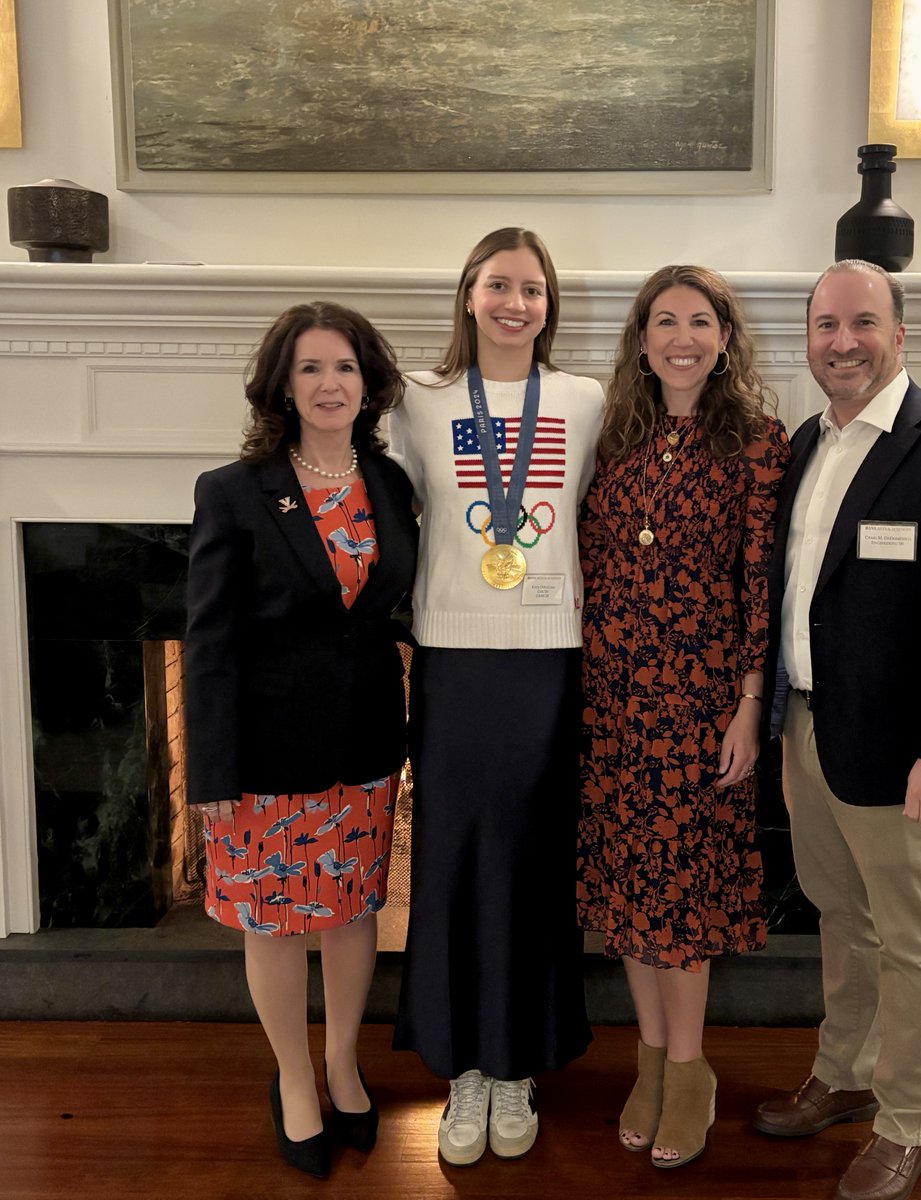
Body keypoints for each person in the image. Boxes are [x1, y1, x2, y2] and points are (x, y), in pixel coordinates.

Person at [752, 260, 921, 1200]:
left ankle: (908, 1125)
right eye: (826, 324)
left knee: (912, 939)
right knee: (841, 921)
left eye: (862, 322)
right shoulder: (805, 446)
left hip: (908, 754)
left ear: (899, 333)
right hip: (810, 734)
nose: (842, 342)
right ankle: (845, 1074)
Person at [185, 301, 419, 1178]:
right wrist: (208, 765)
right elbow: (206, 639)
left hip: (364, 741)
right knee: (277, 924)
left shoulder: (390, 483)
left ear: (370, 384)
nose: (331, 385)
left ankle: (342, 1063)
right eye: (312, 369)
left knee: (353, 910)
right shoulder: (235, 490)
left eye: (346, 368)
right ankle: (292, 1077)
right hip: (264, 753)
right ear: (283, 385)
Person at [388, 227, 600, 1166]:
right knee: (454, 859)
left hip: (549, 660)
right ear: (468, 294)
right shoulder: (415, 401)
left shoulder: (586, 400)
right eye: (500, 285)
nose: (518, 303)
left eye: (534, 289)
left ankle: (516, 1066)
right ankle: (462, 1068)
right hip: (454, 662)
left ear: (550, 305)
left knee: (531, 861)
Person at [576, 265, 789, 1169]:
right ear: (641, 338)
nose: (681, 337)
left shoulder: (758, 443)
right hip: (612, 702)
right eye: (664, 321)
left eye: (700, 321)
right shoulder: (614, 438)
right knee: (629, 891)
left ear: (726, 337)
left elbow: (761, 593)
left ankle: (692, 1068)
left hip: (701, 706)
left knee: (685, 897)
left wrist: (747, 708)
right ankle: (651, 1059)